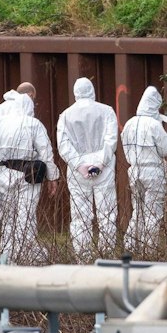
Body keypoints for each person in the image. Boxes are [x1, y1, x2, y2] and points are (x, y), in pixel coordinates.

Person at [0, 85, 55, 263]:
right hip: (28, 176)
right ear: (29, 102)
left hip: (1, 174)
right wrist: (52, 177)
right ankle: (18, 257)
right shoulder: (33, 124)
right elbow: (45, 151)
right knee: (24, 217)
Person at [55, 77, 119, 260]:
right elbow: (111, 139)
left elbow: (63, 145)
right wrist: (100, 162)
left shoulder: (66, 115)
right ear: (92, 90)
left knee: (80, 214)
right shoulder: (106, 111)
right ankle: (106, 255)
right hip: (103, 167)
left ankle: (83, 256)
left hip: (78, 170)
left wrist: (78, 164)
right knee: (106, 211)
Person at [121, 85, 167, 253]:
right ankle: (148, 250)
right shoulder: (154, 125)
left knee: (138, 211)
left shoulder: (129, 123)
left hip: (134, 170)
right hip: (153, 171)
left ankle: (130, 246)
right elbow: (166, 149)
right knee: (153, 213)